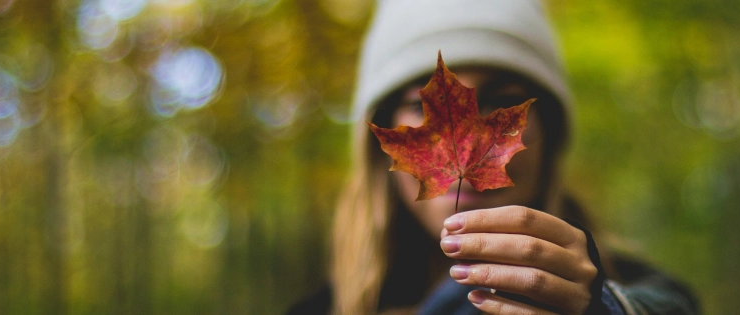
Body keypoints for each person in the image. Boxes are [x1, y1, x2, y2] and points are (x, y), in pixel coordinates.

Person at [288, 0, 700, 314]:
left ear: (550, 136)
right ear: (381, 143)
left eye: (504, 103)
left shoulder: (645, 292)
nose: (465, 147)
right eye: (421, 106)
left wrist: (607, 307)